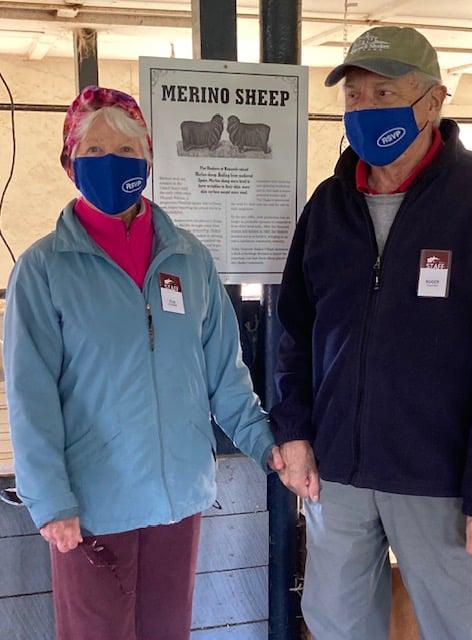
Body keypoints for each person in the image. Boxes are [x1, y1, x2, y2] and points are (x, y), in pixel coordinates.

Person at [270, 26, 472, 640]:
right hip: (340, 474)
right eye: (354, 97)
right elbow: (295, 331)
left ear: (434, 102)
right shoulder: (328, 206)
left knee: (459, 628)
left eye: (384, 93)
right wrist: (297, 430)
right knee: (334, 622)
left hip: (439, 477)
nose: (365, 110)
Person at [4, 85, 281, 640]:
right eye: (95, 152)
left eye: (128, 153)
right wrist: (50, 499)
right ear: (69, 163)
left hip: (177, 498)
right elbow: (30, 397)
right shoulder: (43, 270)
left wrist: (267, 445)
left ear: (149, 159)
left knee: (167, 632)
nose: (113, 164)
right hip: (91, 505)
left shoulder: (190, 259)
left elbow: (224, 375)